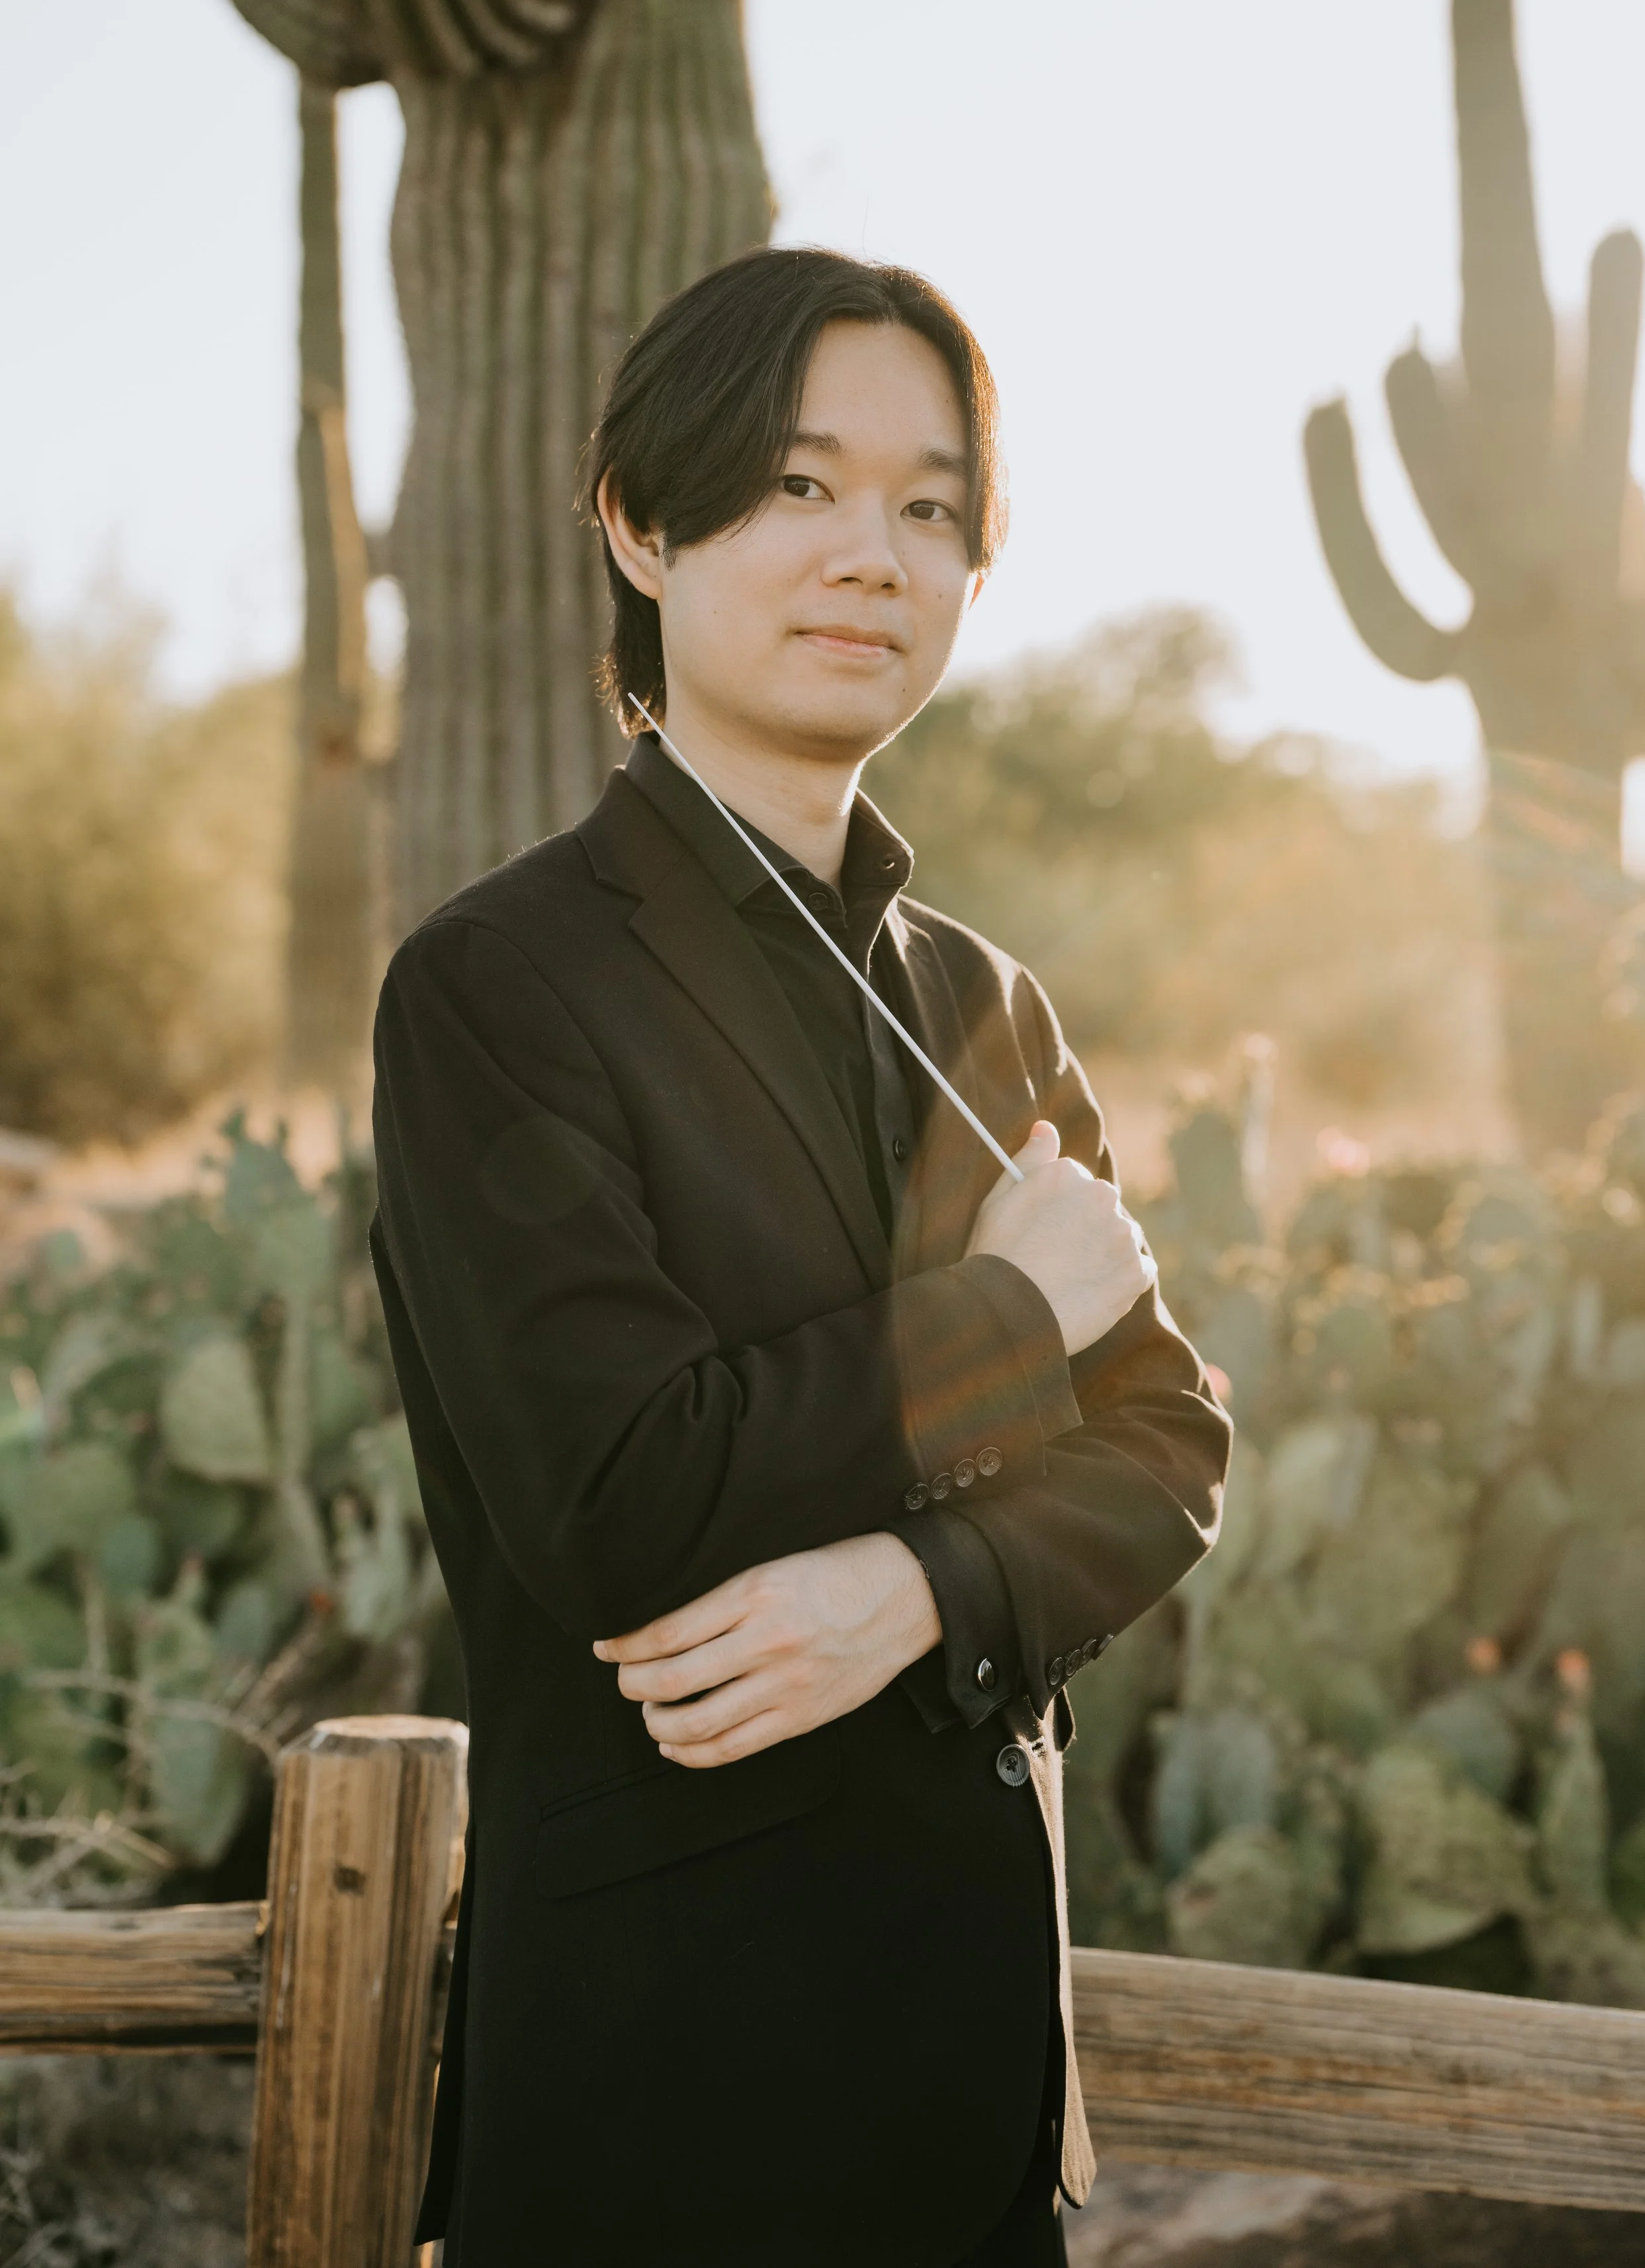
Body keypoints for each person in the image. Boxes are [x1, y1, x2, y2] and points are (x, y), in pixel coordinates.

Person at [370, 247, 1231, 2267]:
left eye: (929, 507)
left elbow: (1171, 1447)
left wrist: (922, 1585)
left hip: (979, 2106)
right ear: (636, 525)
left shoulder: (984, 999)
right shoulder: (501, 982)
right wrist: (1015, 1311)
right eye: (794, 486)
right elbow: (622, 1495)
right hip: (669, 2104)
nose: (873, 552)